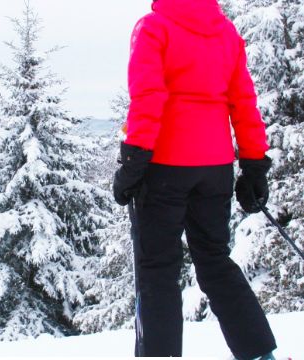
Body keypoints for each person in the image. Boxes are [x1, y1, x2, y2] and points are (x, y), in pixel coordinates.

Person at [113, 0, 277, 358]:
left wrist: (132, 162)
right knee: (215, 261)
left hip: (165, 167)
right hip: (215, 169)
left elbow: (148, 98)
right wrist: (253, 164)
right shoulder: (226, 33)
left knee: (157, 269)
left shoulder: (153, 28)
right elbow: (243, 101)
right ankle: (261, 355)